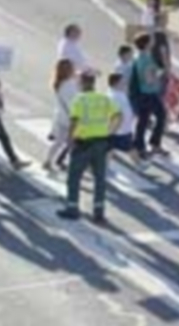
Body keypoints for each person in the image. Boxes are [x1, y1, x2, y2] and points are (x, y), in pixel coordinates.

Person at [57, 72, 120, 223]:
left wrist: (70, 140)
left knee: (74, 176)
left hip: (83, 143)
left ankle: (72, 208)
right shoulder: (104, 99)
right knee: (99, 178)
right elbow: (118, 116)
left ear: (83, 83)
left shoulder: (79, 100)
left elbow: (74, 121)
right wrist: (110, 132)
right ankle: (98, 211)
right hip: (101, 143)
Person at [130, 33, 169, 159]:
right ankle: (154, 143)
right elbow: (148, 79)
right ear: (147, 44)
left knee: (143, 120)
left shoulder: (138, 56)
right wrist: (160, 74)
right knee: (162, 116)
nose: (153, 42)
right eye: (151, 41)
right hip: (149, 93)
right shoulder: (145, 59)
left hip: (141, 94)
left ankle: (139, 145)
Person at [44, 59, 79, 171]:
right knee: (74, 141)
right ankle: (66, 162)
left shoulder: (59, 83)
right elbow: (74, 102)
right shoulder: (71, 85)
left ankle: (48, 160)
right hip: (70, 118)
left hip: (60, 116)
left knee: (59, 141)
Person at [107, 73, 136, 158]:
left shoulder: (120, 94)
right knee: (128, 148)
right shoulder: (113, 96)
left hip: (123, 129)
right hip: (119, 130)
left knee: (111, 148)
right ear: (116, 83)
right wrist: (112, 130)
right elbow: (116, 115)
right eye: (122, 82)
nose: (125, 84)